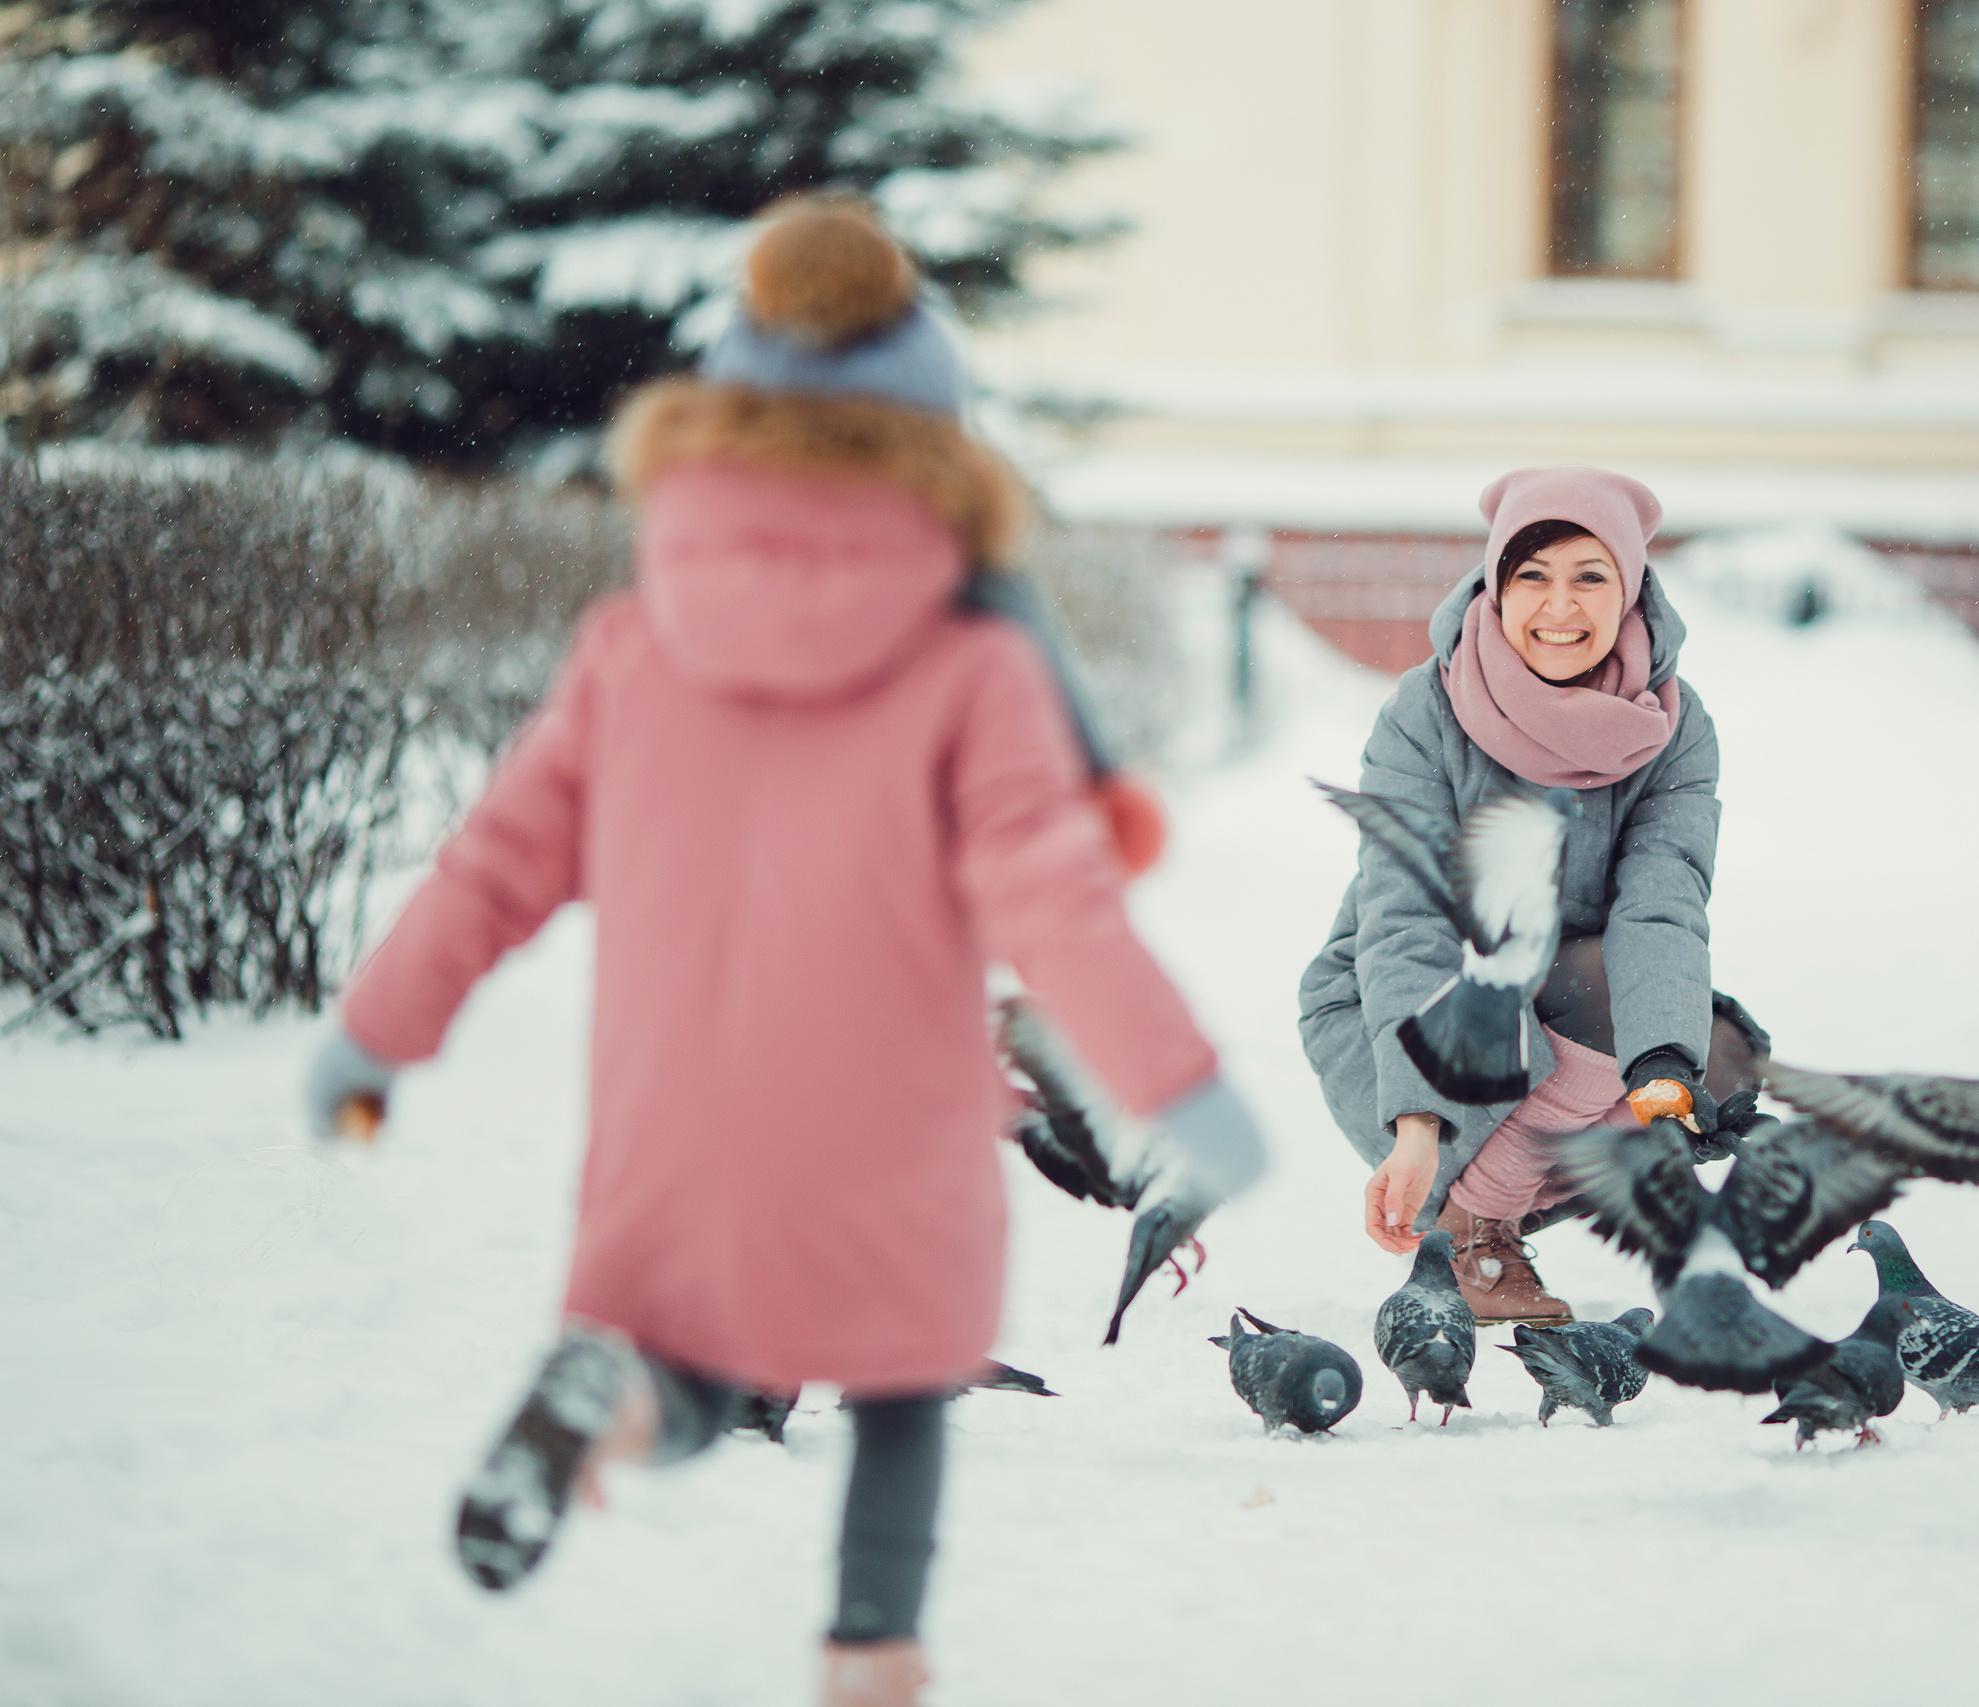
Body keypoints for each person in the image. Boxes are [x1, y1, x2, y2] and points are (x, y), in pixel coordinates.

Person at [301, 196, 1263, 1707]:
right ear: (941, 449)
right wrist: (1181, 1086)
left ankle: (611, 1401)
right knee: (899, 1382)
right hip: (889, 1111)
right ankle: (872, 1650)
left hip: (675, 1110)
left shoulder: (632, 642)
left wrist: (376, 1034)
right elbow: (1052, 896)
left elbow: (496, 864)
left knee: (683, 1355)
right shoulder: (975, 661)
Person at [1298, 467, 1762, 1324]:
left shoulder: (1673, 724)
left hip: (1565, 1000)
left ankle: (1504, 1197)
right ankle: (1476, 1224)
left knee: (1716, 1053)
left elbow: (1661, 902)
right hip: (1408, 1001)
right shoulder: (1425, 711)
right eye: (1532, 576)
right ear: (1495, 584)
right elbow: (1407, 920)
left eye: (1590, 577)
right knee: (1596, 1000)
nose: (1560, 607)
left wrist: (1665, 1067)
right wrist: (1415, 1122)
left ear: (1629, 590)